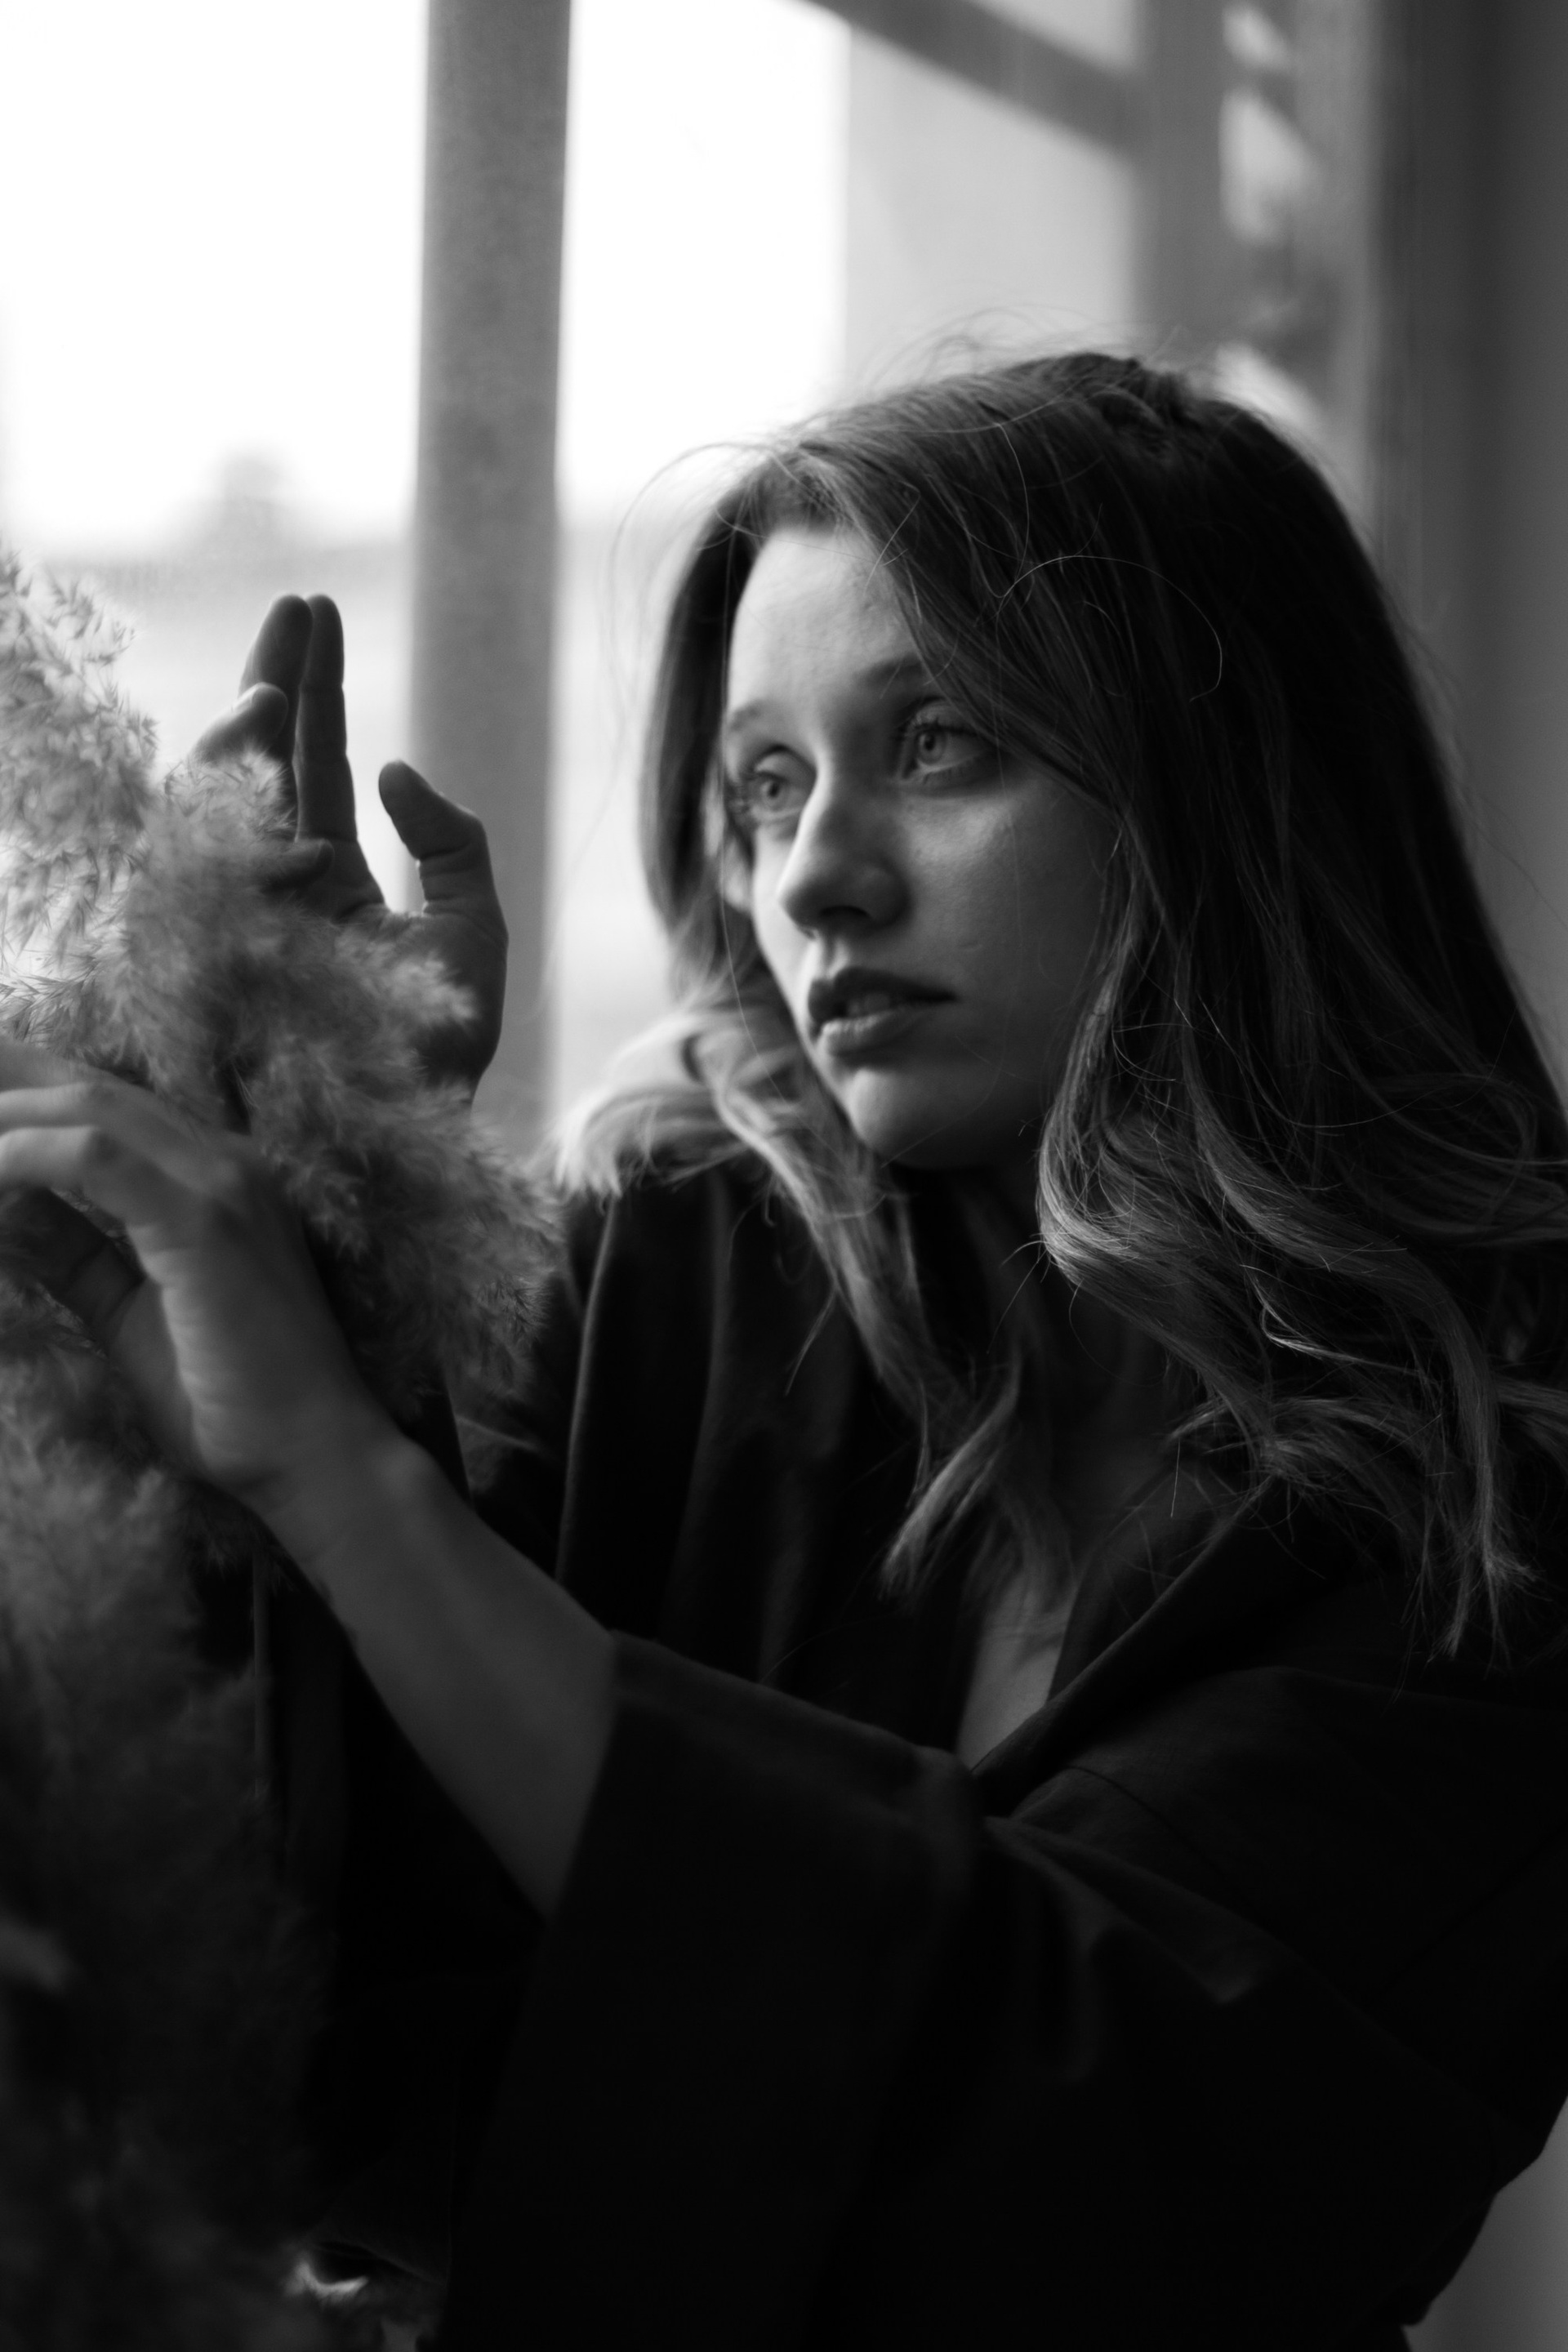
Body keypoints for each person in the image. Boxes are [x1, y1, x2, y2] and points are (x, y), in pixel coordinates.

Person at [7, 351, 1568, 2350]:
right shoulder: (681, 1265)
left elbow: (1066, 2167)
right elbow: (342, 2032)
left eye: (938, 742)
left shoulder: (1499, 1481)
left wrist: (350, 1478)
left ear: (1227, 789)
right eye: (766, 783)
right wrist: (340, 1227)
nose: (816, 871)